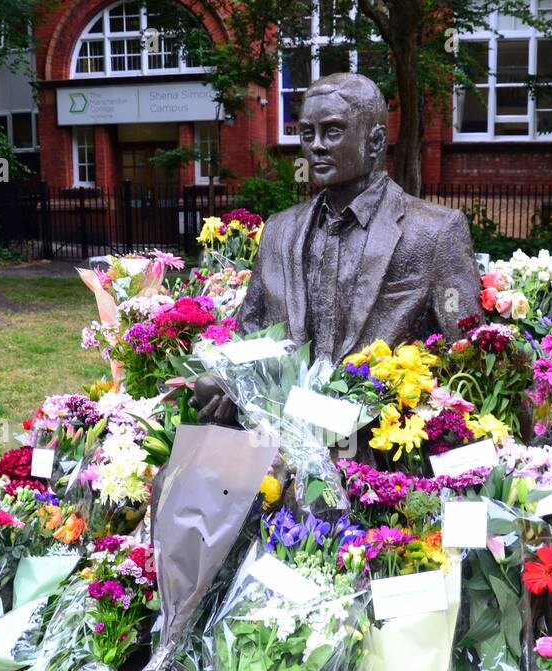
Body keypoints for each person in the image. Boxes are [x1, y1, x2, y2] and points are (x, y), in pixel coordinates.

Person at [194, 72, 481, 423]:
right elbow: (248, 333)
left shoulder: (434, 231)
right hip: (284, 435)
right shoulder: (280, 231)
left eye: (332, 131)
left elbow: (467, 358)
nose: (316, 145)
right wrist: (228, 383)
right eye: (306, 133)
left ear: (374, 142)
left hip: (383, 448)